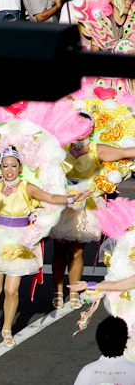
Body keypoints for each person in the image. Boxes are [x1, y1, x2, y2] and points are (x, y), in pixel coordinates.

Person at [0, 146, 91, 348]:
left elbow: (51, 198)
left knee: (11, 290)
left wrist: (73, 198)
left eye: (13, 165)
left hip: (20, 241)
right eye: (5, 166)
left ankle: (7, 329)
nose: (9, 169)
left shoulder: (27, 187)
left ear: (20, 167)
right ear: (0, 168)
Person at [50, 116, 135, 310]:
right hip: (63, 202)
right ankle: (57, 290)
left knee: (77, 251)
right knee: (59, 250)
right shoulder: (60, 148)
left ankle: (72, 292)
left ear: (91, 128)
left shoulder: (98, 149)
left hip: (86, 204)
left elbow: (124, 151)